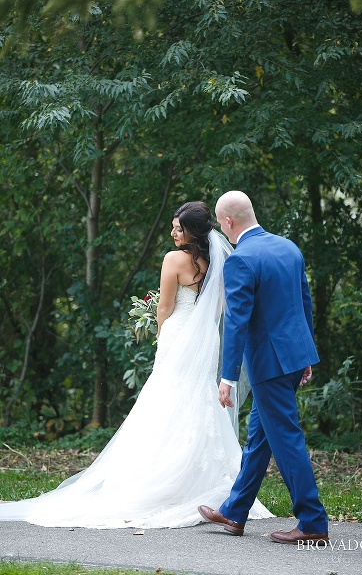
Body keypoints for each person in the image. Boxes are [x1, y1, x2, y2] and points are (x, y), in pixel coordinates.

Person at [0, 201, 272, 528]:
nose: (173, 233)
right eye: (173, 227)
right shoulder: (218, 262)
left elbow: (165, 307)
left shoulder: (173, 259)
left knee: (166, 397)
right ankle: (201, 478)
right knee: (197, 396)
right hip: (206, 340)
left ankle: (160, 474)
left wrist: (161, 334)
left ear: (192, 232)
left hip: (177, 334)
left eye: (179, 229)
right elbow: (219, 310)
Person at [197, 190, 328, 543]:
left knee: (286, 439)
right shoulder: (289, 248)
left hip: (269, 364)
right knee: (259, 437)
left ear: (228, 221)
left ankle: (313, 521)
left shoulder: (241, 259)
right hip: (292, 358)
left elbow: (236, 322)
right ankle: (234, 511)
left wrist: (228, 377)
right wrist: (306, 356)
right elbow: (304, 304)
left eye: (221, 224)